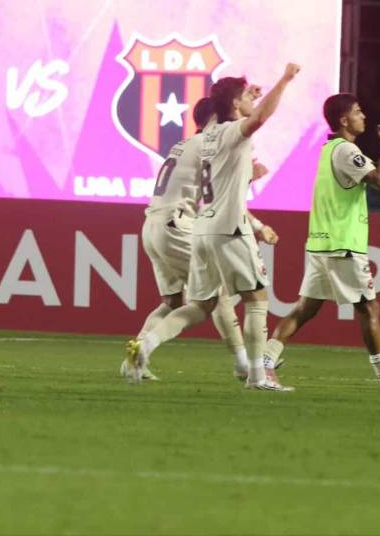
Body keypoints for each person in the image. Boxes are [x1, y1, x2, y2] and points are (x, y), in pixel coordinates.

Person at [126, 65, 302, 391]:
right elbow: (260, 119)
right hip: (224, 227)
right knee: (256, 299)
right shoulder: (231, 132)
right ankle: (255, 376)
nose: (252, 101)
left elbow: (226, 176)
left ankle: (145, 345)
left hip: (201, 227)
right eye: (245, 97)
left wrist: (244, 96)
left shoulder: (202, 140)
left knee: (198, 305)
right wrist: (286, 79)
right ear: (235, 106)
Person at [261, 94, 380, 392]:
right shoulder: (346, 151)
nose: (364, 116)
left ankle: (266, 362)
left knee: (305, 309)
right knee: (369, 309)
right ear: (343, 120)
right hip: (341, 246)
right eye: (358, 112)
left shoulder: (331, 150)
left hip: (322, 242)